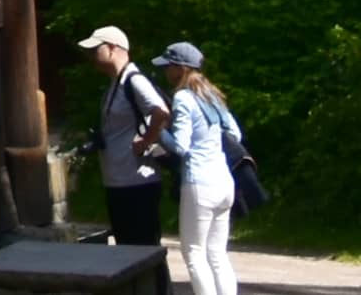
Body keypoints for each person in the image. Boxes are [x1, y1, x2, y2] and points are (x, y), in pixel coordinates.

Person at [153, 42, 245, 295]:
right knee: (217, 254)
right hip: (224, 181)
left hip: (199, 183)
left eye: (168, 66)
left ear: (181, 68)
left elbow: (181, 147)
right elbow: (234, 133)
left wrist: (158, 132)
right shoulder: (212, 94)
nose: (165, 72)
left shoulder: (183, 97)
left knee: (193, 253)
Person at [75, 24, 170, 247]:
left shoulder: (133, 80)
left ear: (111, 48)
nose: (90, 56)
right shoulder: (114, 85)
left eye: (94, 49)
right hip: (119, 182)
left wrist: (146, 141)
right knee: (126, 248)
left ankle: (156, 284)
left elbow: (161, 111)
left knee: (143, 249)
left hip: (137, 182)